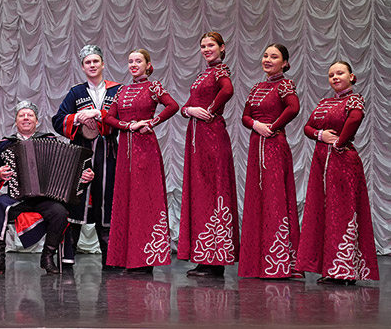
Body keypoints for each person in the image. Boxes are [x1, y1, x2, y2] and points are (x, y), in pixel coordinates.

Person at [0, 101, 94, 275]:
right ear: (16, 121)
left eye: (30, 115)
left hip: (45, 199)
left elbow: (71, 170)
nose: (26, 118)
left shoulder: (50, 140)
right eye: (21, 115)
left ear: (37, 121)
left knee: (60, 213)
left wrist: (84, 175)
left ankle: (47, 257)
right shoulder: (5, 145)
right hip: (17, 197)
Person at [296, 61, 379, 285]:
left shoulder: (354, 100)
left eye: (340, 73)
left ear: (351, 77)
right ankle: (329, 268)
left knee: (342, 212)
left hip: (343, 161)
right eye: (331, 74)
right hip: (322, 162)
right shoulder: (324, 103)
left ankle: (344, 270)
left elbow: (355, 119)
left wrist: (339, 143)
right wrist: (321, 135)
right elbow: (307, 127)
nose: (335, 77)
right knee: (325, 212)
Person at [102, 49, 179, 274]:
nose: (133, 65)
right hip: (125, 150)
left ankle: (145, 259)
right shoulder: (122, 90)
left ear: (148, 65)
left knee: (144, 201)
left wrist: (151, 122)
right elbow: (108, 117)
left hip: (145, 149)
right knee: (126, 200)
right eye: (130, 61)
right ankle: (127, 258)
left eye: (138, 61)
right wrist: (129, 126)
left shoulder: (153, 87)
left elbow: (173, 106)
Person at [52, 45, 121, 268]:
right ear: (82, 67)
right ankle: (68, 255)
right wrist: (76, 118)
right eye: (87, 62)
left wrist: (99, 114)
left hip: (108, 153)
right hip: (80, 154)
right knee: (77, 200)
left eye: (95, 61)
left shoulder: (117, 91)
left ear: (103, 64)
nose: (92, 65)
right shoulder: (76, 92)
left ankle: (110, 256)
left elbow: (124, 118)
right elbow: (58, 120)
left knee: (107, 200)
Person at [177, 32, 240, 277]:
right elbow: (186, 106)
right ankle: (205, 256)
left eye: (211, 45)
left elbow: (228, 91)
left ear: (222, 47)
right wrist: (190, 110)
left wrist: (210, 110)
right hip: (197, 138)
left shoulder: (220, 71)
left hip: (212, 136)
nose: (206, 49)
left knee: (214, 191)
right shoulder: (203, 74)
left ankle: (216, 260)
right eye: (203, 46)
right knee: (201, 193)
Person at [237, 44, 302, 278]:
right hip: (257, 144)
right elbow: (245, 116)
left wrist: (273, 127)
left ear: (284, 63)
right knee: (257, 198)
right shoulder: (257, 87)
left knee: (275, 198)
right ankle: (257, 261)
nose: (267, 59)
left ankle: (281, 261)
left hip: (274, 144)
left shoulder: (284, 85)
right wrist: (256, 125)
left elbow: (293, 108)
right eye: (265, 55)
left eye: (274, 57)